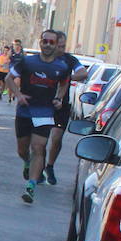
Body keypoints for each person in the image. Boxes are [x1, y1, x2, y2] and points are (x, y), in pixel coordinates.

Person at [6, 29, 72, 204]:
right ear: (40, 42)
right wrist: (19, 95)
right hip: (25, 111)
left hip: (45, 112)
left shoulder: (62, 66)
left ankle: (31, 186)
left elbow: (65, 83)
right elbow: (9, 79)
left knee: (39, 147)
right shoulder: (27, 62)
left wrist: (59, 98)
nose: (48, 45)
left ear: (56, 44)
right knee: (22, 150)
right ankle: (27, 163)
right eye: (45, 41)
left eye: (52, 42)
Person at [42, 30, 87, 186]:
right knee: (41, 139)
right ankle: (38, 166)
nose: (60, 50)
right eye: (58, 46)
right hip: (43, 104)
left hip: (62, 105)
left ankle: (50, 166)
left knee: (56, 138)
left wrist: (68, 78)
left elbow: (83, 73)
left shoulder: (70, 60)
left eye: (63, 46)